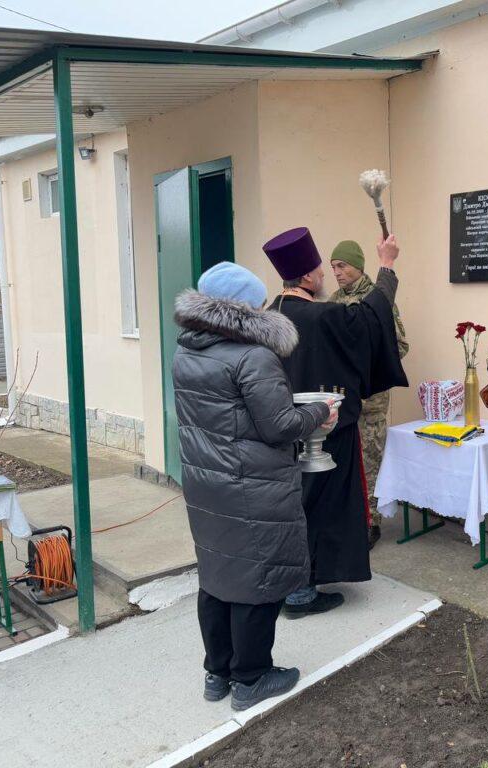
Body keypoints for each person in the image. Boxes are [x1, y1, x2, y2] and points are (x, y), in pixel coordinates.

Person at [172, 261, 339, 711]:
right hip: (253, 485)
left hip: (207, 484)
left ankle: (218, 672)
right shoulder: (253, 356)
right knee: (257, 581)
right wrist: (321, 413)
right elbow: (280, 425)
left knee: (218, 575)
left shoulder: (187, 350)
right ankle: (251, 677)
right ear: (246, 308)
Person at [263, 227, 407, 618]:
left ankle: (287, 583)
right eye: (321, 271)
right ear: (308, 277)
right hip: (319, 432)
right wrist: (387, 265)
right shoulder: (319, 316)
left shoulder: (268, 315)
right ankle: (300, 594)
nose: (326, 276)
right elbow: (371, 318)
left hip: (275, 432)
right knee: (315, 506)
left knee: (288, 506)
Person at [327, 239, 410, 549]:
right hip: (340, 401)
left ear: (359, 266)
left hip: (370, 402)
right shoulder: (334, 300)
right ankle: (348, 519)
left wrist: (362, 362)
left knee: (369, 461)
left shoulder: (378, 298)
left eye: (342, 265)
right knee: (343, 461)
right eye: (333, 266)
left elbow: (399, 345)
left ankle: (370, 522)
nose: (336, 272)